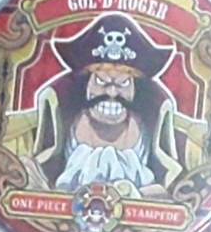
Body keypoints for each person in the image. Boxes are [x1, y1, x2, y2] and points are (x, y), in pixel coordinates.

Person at [38, 14, 182, 195]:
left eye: (123, 83)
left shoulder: (148, 128)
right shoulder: (66, 122)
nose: (112, 93)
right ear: (85, 85)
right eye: (101, 81)